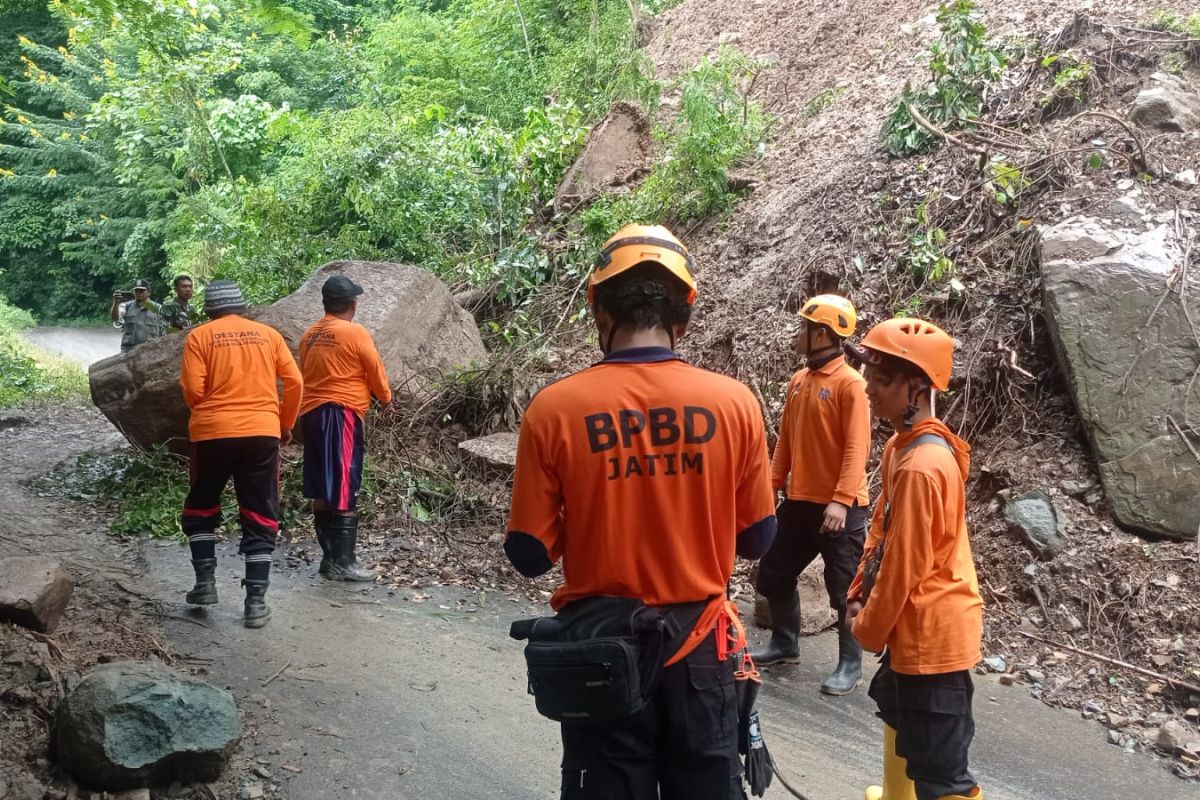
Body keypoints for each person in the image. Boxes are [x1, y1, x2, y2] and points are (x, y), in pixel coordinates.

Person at [504, 224, 778, 800]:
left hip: (602, 655)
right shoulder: (735, 403)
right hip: (702, 654)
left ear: (597, 309)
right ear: (685, 313)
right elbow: (757, 538)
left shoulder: (554, 410)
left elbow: (528, 554)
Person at [843, 317, 984, 800]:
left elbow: (905, 566)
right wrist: (858, 591)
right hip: (911, 626)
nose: (868, 389)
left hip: (932, 638)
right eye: (869, 376)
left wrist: (866, 628)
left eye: (881, 380)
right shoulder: (900, 450)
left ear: (917, 387)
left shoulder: (923, 465)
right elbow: (881, 535)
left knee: (942, 775)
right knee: (898, 713)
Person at [751, 294, 870, 696]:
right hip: (799, 501)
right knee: (773, 570)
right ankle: (786, 643)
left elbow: (858, 447)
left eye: (803, 328)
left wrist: (840, 498)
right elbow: (785, 439)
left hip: (842, 508)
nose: (797, 334)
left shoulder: (850, 384)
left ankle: (850, 665)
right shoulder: (799, 382)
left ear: (821, 334)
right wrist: (770, 484)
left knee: (843, 591)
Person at [179, 280, 303, 629]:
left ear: (209, 311)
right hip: (262, 432)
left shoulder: (200, 337)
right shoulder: (268, 335)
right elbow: (295, 382)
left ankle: (205, 585)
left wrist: (208, 414)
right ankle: (255, 602)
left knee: (202, 504)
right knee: (260, 510)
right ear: (244, 307)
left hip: (211, 434)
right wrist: (284, 422)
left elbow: (191, 388)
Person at [297, 275, 392, 581]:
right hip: (340, 414)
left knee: (322, 485)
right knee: (343, 483)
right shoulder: (354, 333)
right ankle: (345, 562)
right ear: (352, 304)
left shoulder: (310, 334)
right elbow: (374, 369)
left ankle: (329, 560)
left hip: (310, 415)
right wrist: (386, 398)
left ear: (325, 304)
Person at [111, 278, 163, 353]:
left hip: (150, 352)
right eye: (136, 291)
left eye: (142, 291)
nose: (139, 293)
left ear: (149, 292)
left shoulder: (158, 308)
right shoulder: (126, 306)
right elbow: (115, 318)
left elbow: (166, 331)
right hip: (129, 352)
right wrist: (116, 303)